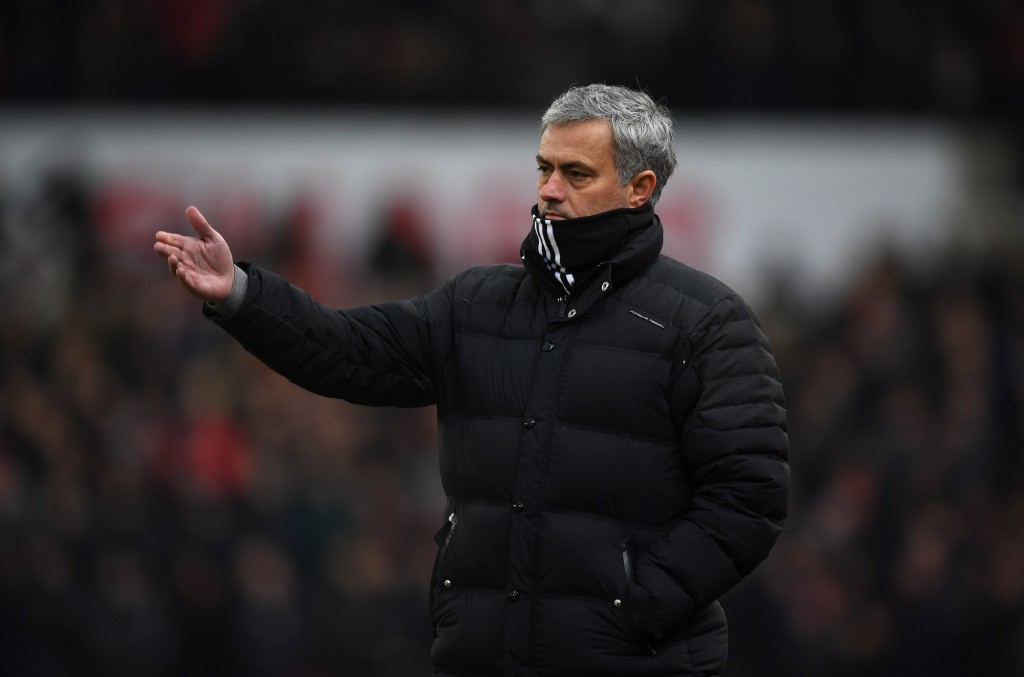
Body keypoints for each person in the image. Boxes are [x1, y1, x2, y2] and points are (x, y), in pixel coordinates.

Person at [154, 84, 790, 676]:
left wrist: (635, 607)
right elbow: (344, 349)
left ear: (639, 187)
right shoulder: (476, 305)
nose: (549, 190)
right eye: (544, 168)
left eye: (576, 174)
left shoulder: (705, 322)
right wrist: (241, 293)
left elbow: (749, 496)